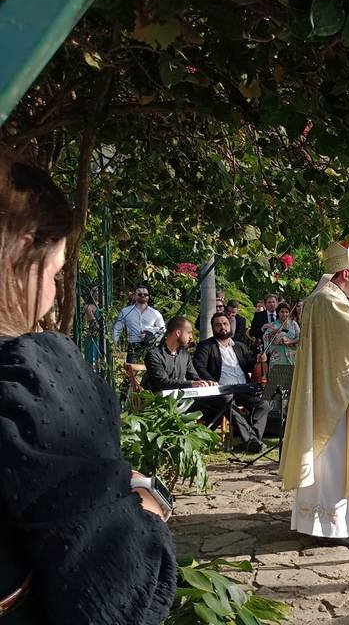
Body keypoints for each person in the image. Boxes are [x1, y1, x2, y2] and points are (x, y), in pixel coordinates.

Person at [0, 154, 176, 622]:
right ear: (22, 253)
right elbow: (114, 598)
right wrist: (146, 507)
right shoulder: (32, 382)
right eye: (56, 273)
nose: (56, 290)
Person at [279, 241, 349, 546]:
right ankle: (334, 528)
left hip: (324, 390)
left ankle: (320, 524)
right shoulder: (328, 300)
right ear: (346, 272)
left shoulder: (320, 298)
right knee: (335, 459)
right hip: (334, 399)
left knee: (329, 460)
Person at [193, 312, 272, 452]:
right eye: (218, 325)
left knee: (263, 405)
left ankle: (250, 441)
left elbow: (249, 364)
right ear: (213, 328)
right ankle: (252, 441)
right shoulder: (206, 346)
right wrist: (211, 382)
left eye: (225, 324)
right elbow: (199, 367)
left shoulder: (239, 346)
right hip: (222, 390)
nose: (222, 327)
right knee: (228, 402)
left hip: (243, 389)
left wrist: (259, 360)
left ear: (230, 326)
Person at [141, 316, 216, 393]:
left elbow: (193, 377)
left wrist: (205, 383)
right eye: (189, 333)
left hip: (180, 399)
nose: (191, 338)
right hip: (158, 401)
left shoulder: (185, 355)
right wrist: (191, 384)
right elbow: (162, 383)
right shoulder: (154, 355)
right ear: (178, 333)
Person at [112, 284, 165, 363]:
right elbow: (117, 328)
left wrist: (150, 334)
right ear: (134, 296)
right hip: (133, 346)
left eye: (145, 294)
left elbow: (163, 330)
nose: (143, 296)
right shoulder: (126, 311)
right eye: (140, 294)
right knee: (131, 371)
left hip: (151, 346)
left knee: (152, 371)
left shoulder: (155, 313)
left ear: (148, 296)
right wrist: (113, 345)